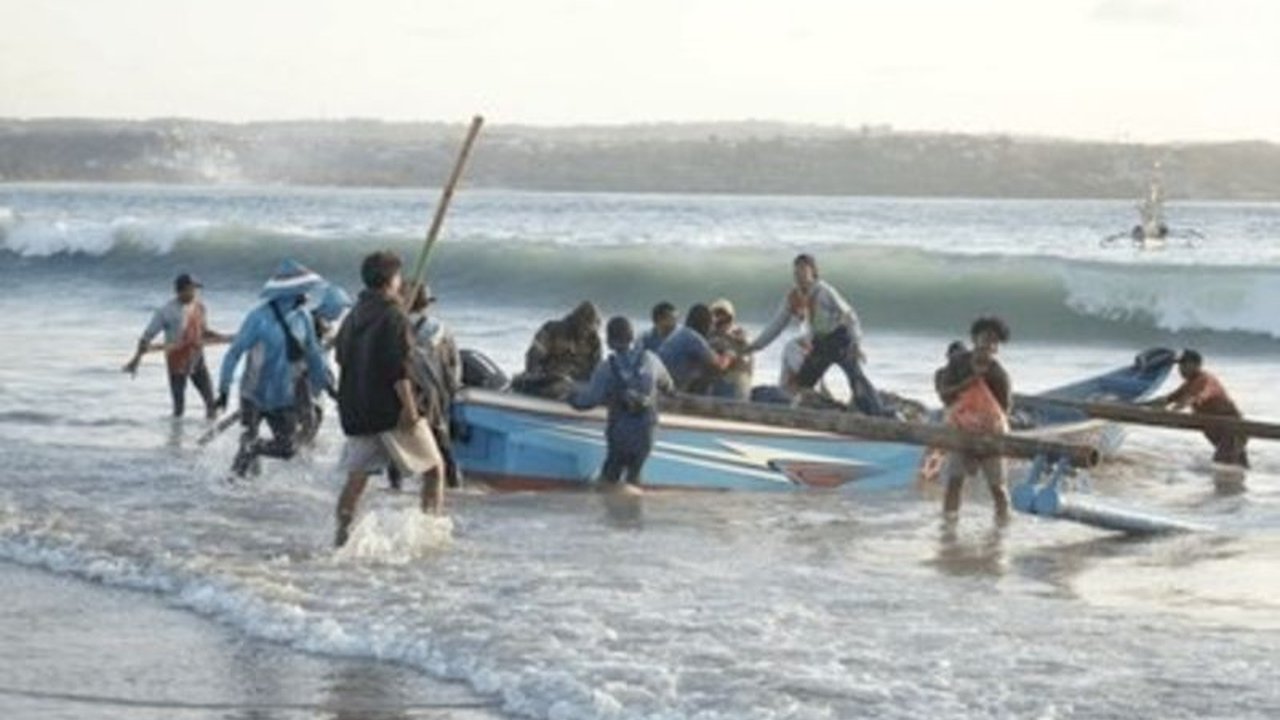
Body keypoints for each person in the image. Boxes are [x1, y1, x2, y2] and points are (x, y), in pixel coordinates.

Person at [333, 251, 444, 548]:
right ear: (391, 279)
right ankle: (431, 534)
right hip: (389, 410)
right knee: (434, 470)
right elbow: (400, 368)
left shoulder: (354, 315)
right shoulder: (394, 315)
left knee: (356, 479)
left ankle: (341, 537)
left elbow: (340, 356)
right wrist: (409, 409)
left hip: (357, 409)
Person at [216, 260, 332, 478]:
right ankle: (232, 489)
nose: (307, 294)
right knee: (246, 444)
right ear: (290, 292)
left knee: (289, 448)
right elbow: (234, 353)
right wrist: (223, 388)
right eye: (304, 290)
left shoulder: (303, 316)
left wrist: (324, 385)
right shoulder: (258, 318)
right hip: (253, 394)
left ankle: (254, 450)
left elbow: (313, 353)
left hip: (283, 397)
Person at [745, 254, 888, 416]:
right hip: (820, 343)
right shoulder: (793, 297)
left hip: (840, 339)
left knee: (856, 378)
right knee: (803, 380)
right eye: (796, 272)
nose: (799, 276)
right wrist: (755, 346)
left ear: (813, 272)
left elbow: (850, 315)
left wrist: (857, 344)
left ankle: (877, 413)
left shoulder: (824, 290)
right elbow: (776, 325)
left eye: (803, 271)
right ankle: (810, 410)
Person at [569, 317, 674, 487]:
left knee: (608, 481)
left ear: (609, 342)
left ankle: (613, 507)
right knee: (634, 477)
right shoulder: (651, 359)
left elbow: (589, 401)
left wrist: (570, 397)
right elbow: (668, 386)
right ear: (632, 337)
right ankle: (633, 507)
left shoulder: (607, 367)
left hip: (620, 435)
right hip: (646, 434)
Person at [934, 318, 1012, 521]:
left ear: (997, 347)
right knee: (954, 482)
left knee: (998, 488)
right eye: (985, 338)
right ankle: (949, 528)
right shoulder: (958, 363)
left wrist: (986, 424)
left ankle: (1002, 528)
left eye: (994, 341)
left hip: (989, 436)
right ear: (974, 339)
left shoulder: (999, 374)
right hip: (961, 431)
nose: (988, 344)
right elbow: (943, 393)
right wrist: (969, 383)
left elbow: (1004, 409)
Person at [123, 273, 231, 419]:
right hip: (176, 364)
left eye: (195, 289)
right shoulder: (166, 312)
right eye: (190, 289)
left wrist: (224, 338)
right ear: (179, 291)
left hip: (197, 361)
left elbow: (204, 332)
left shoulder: (200, 307)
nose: (194, 292)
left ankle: (209, 436)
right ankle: (175, 439)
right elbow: (146, 337)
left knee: (211, 404)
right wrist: (136, 359)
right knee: (179, 409)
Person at [405, 283, 465, 488]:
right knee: (441, 446)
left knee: (397, 449)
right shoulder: (441, 329)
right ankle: (453, 487)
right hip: (432, 396)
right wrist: (452, 390)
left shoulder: (395, 327)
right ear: (426, 305)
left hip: (402, 392)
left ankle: (395, 489)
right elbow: (454, 364)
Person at [1148, 350, 1249, 468]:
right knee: (1238, 468)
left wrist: (1180, 406)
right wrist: (1139, 405)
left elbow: (1200, 396)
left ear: (1197, 365)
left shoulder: (1206, 380)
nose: (1181, 368)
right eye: (1180, 365)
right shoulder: (1189, 384)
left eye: (1185, 364)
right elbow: (1167, 399)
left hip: (1232, 430)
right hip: (1221, 432)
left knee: (1222, 466)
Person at [511, 301, 603, 400]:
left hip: (577, 385)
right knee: (557, 388)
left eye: (591, 329)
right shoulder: (552, 329)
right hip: (548, 380)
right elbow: (533, 356)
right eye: (584, 327)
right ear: (576, 320)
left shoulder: (594, 341)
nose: (587, 332)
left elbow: (596, 370)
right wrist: (537, 376)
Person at [657, 304, 734, 394]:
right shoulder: (694, 338)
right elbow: (720, 366)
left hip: (659, 384)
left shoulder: (680, 332)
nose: (712, 328)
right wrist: (730, 353)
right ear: (705, 323)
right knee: (710, 375)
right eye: (711, 323)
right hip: (670, 390)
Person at [707, 298, 753, 400]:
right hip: (729, 385)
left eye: (723, 316)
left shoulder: (739, 336)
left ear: (730, 318)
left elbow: (724, 363)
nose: (719, 319)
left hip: (735, 388)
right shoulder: (714, 336)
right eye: (716, 315)